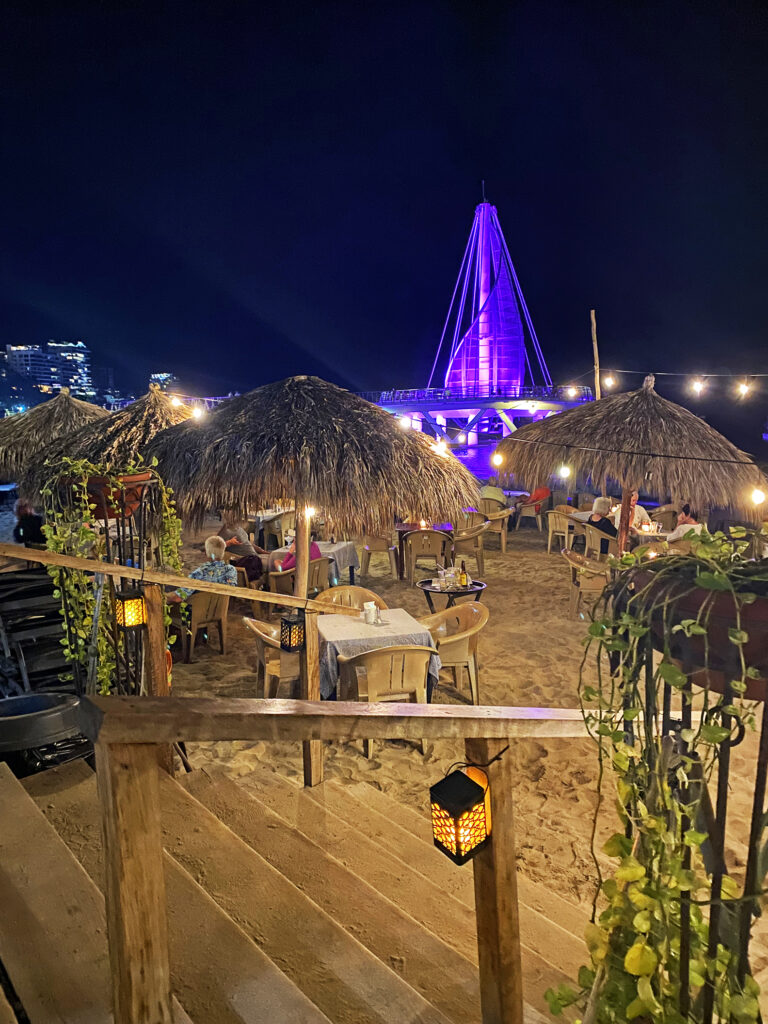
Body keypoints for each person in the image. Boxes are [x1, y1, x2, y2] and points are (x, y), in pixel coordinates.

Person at [168, 536, 238, 602]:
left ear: (206, 552)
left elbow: (179, 597)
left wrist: (165, 597)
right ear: (223, 552)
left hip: (198, 610)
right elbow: (231, 590)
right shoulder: (231, 570)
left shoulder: (201, 572)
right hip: (221, 610)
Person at [218, 516, 267, 583]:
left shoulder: (238, 528)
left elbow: (248, 542)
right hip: (247, 560)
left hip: (255, 557)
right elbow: (215, 546)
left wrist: (263, 551)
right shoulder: (226, 532)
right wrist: (228, 543)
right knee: (272, 564)